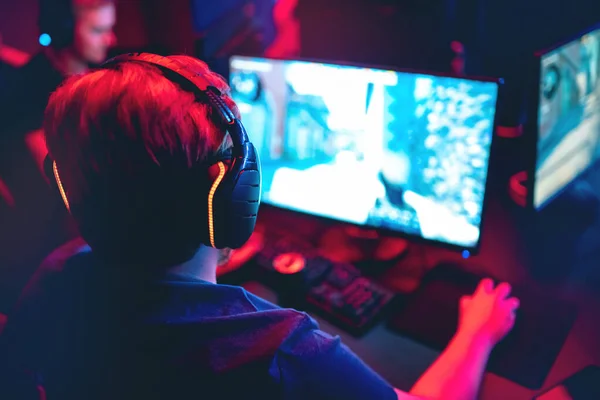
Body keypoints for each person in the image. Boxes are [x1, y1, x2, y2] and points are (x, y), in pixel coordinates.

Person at [0, 54, 520, 400]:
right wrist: (478, 333)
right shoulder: (281, 351)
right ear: (228, 195)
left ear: (69, 187)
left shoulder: (59, 275)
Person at [0, 0, 116, 311]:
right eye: (97, 30)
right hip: (47, 243)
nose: (110, 39)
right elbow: (62, 182)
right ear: (64, 32)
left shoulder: (85, 72)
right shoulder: (32, 90)